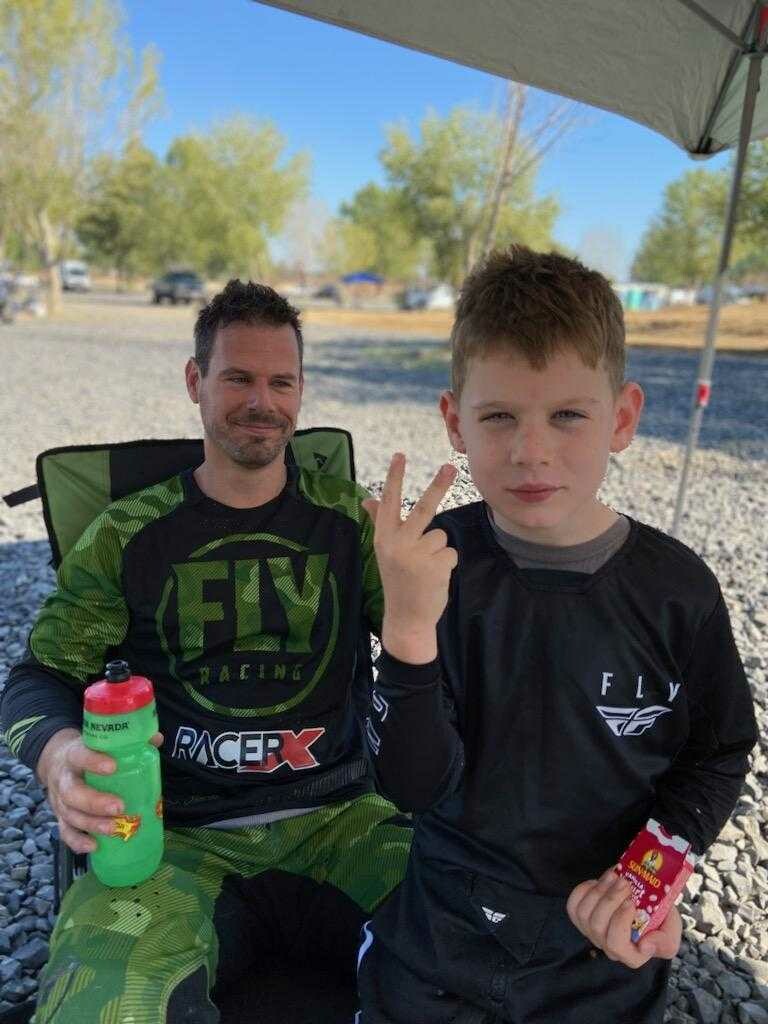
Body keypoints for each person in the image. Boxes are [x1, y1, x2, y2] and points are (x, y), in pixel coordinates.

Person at [357, 246, 757, 1024]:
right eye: (499, 415)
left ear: (624, 418)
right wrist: (407, 627)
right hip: (444, 927)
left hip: (597, 937)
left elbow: (718, 752)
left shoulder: (676, 590)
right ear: (455, 422)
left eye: (568, 415)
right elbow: (406, 786)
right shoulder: (433, 565)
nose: (531, 450)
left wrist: (648, 878)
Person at [0, 279, 411, 1022]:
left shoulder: (350, 522)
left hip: (341, 820)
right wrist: (59, 756)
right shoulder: (129, 533)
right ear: (195, 381)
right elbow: (39, 676)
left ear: (301, 390)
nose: (263, 402)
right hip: (170, 837)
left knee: (501, 957)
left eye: (281, 381)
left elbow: (436, 651)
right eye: (239, 378)